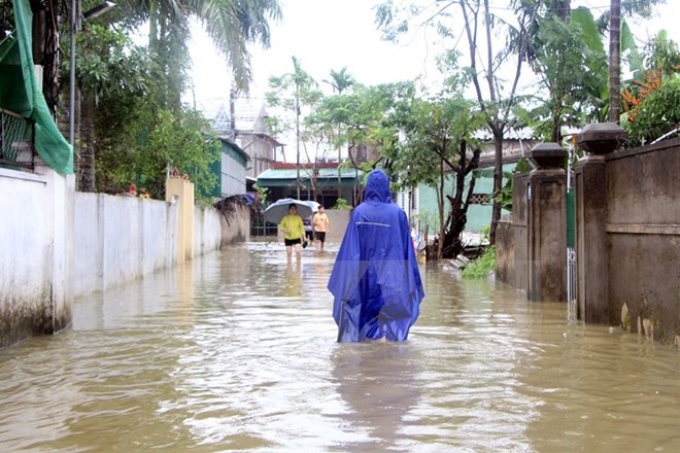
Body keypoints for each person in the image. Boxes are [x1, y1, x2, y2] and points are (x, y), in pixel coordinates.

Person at [327, 169, 424, 342]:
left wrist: (346, 279)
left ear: (368, 187)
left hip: (362, 274)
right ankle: (385, 349)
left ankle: (367, 352)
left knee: (360, 312)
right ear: (387, 186)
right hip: (391, 275)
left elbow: (350, 249)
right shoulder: (397, 214)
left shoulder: (359, 213)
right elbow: (406, 250)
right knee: (391, 317)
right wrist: (412, 277)